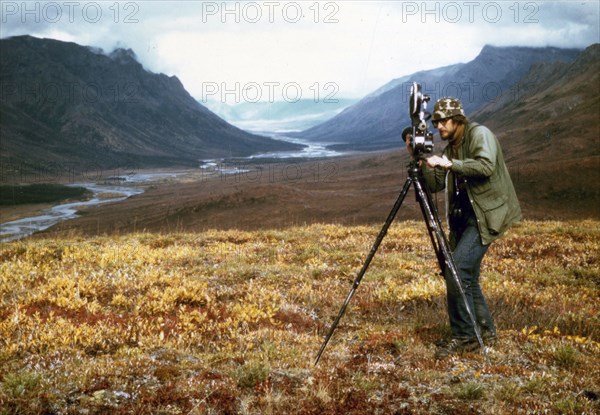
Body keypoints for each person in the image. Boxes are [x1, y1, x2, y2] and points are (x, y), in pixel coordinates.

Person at [406, 97, 521, 359]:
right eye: (434, 122)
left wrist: (449, 164)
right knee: (465, 277)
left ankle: (465, 337)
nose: (438, 127)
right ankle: (485, 332)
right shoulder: (450, 147)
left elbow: (485, 166)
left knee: (456, 271)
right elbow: (435, 185)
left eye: (442, 121)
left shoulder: (479, 134)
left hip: (487, 214)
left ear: (457, 120)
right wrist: (422, 159)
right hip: (465, 215)